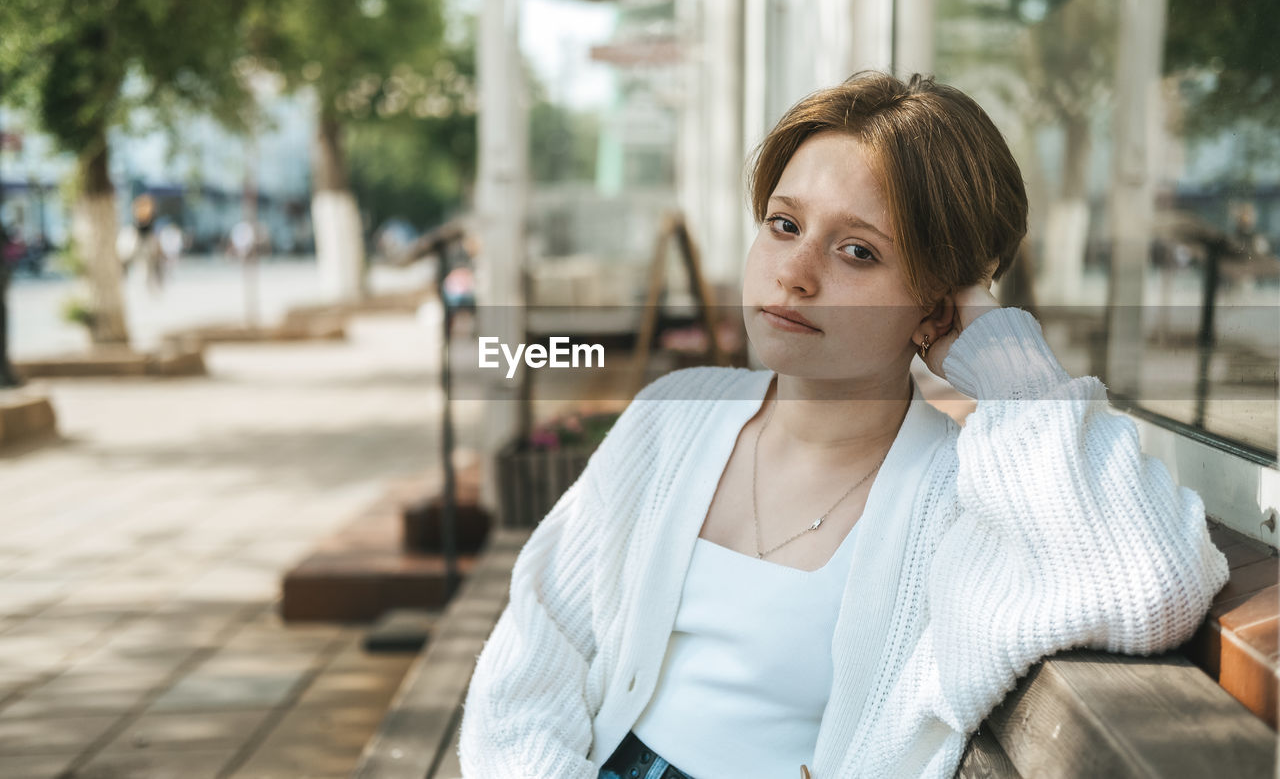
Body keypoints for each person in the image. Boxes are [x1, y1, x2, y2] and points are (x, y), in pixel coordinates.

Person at [457, 72, 1230, 778]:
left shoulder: (956, 496)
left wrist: (1005, 362)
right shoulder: (675, 413)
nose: (796, 273)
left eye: (858, 251)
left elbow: (1148, 580)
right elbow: (534, 649)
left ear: (934, 307)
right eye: (784, 224)